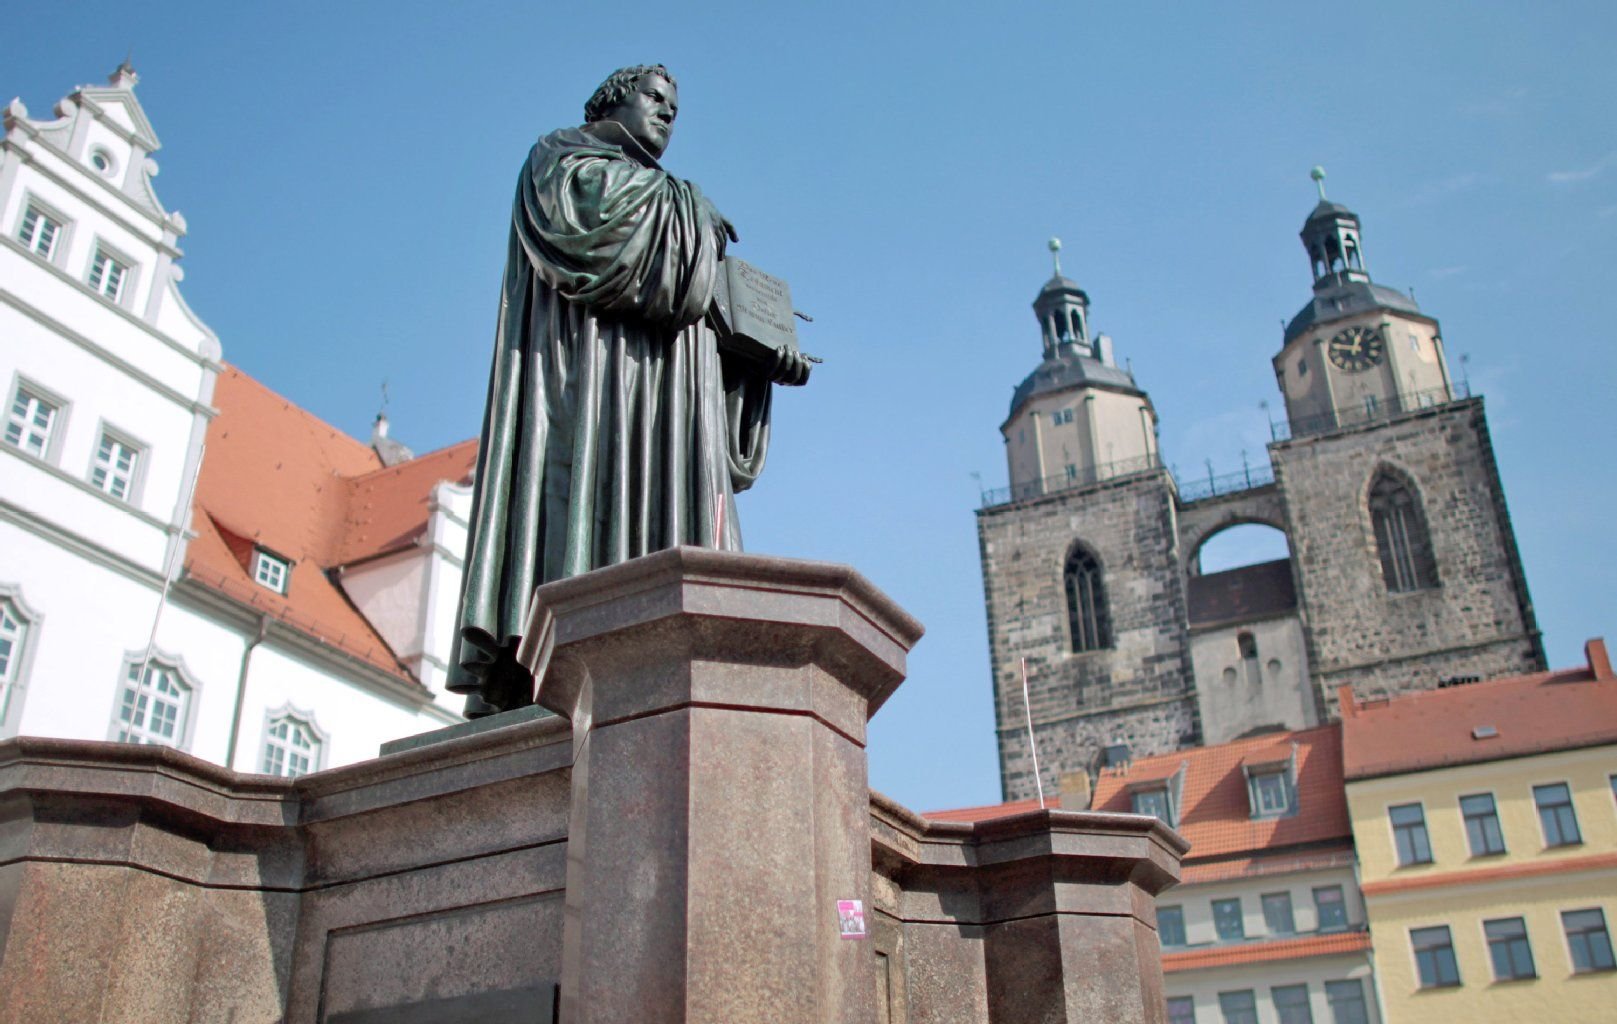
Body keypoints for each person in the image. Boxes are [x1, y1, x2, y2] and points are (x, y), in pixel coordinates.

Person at [447, 64, 808, 715]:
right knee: (580, 506)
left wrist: (756, 361)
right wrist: (687, 215)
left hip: (668, 405)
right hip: (588, 386)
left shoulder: (671, 200)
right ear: (612, 100)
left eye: (676, 107)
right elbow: (622, 260)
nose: (668, 113)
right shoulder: (560, 162)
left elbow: (694, 302)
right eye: (655, 98)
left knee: (668, 520)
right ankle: (546, 665)